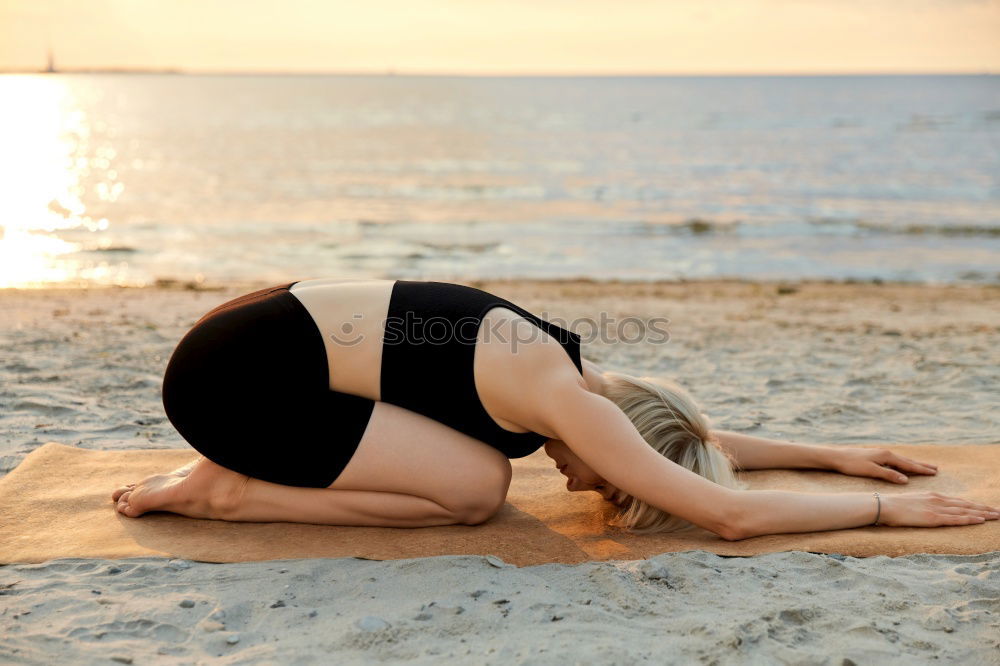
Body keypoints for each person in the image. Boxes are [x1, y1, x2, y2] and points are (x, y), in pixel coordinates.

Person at [111, 278, 999, 539]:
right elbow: (727, 515)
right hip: (232, 387)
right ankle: (222, 491)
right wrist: (885, 508)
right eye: (613, 487)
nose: (587, 490)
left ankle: (233, 474)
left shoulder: (570, 380)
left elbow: (686, 439)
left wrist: (835, 453)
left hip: (238, 347)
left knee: (478, 472)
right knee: (473, 489)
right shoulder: (576, 409)